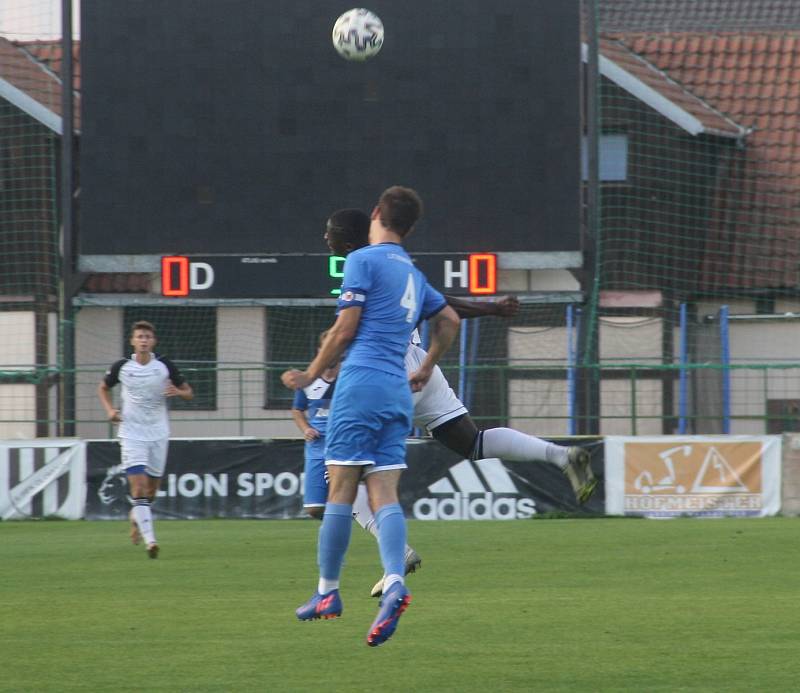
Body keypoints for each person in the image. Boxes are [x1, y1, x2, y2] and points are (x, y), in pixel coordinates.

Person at [323, 208, 597, 596]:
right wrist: (491, 308)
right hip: (419, 366)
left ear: (346, 242)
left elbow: (348, 329)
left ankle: (396, 554)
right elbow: (441, 306)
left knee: (341, 478)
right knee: (472, 442)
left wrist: (322, 364)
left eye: (328, 233)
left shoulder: (359, 264)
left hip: (385, 372)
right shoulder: (393, 265)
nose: (324, 239)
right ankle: (560, 456)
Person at [282, 186, 460, 647]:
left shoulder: (363, 259)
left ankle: (327, 593)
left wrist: (311, 374)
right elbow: (451, 321)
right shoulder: (413, 273)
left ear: (377, 213)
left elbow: (344, 330)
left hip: (360, 385)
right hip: (398, 393)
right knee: (383, 493)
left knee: (340, 487)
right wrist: (425, 366)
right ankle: (395, 581)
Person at [97, 320, 193, 558]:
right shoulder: (122, 367)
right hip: (131, 434)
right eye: (139, 336)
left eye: (147, 337)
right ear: (132, 341)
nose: (143, 340)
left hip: (158, 433)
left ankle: (136, 516)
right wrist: (110, 410)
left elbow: (189, 392)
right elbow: (103, 388)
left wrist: (178, 392)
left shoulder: (164, 366)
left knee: (150, 492)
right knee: (138, 487)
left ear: (153, 341)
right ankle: (151, 541)